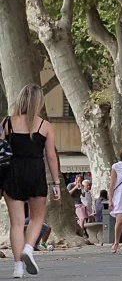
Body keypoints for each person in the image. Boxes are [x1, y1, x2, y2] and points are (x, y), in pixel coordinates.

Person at [1, 84, 61, 277]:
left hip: (12, 173)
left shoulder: (7, 123)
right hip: (35, 171)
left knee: (17, 223)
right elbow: (51, 156)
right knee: (37, 218)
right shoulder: (45, 126)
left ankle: (18, 267)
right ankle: (28, 248)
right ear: (39, 102)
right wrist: (56, 183)